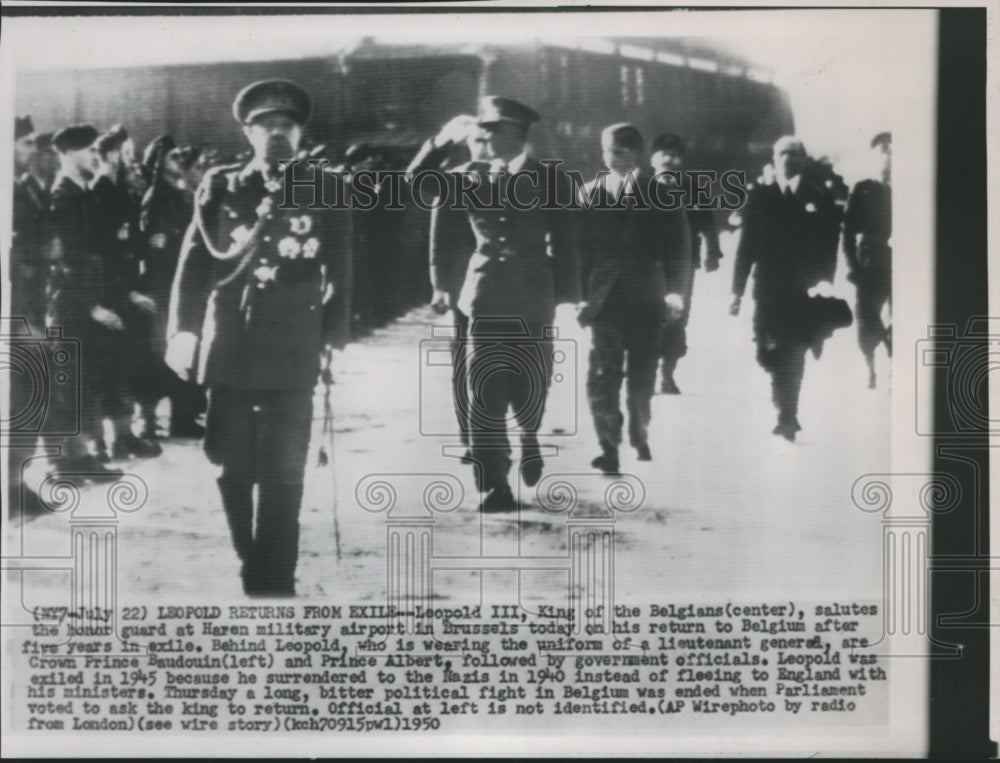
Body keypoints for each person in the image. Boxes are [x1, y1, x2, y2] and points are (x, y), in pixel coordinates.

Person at [167, 79, 352, 596]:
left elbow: (344, 267)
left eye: (286, 125)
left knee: (285, 467)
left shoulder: (327, 187)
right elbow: (195, 262)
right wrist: (183, 331)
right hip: (232, 344)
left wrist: (335, 334)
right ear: (247, 132)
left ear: (300, 132)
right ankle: (252, 558)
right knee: (231, 465)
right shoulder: (222, 186)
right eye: (265, 125)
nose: (276, 133)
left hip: (295, 344)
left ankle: (275, 574)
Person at [430, 96, 581, 511]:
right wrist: (441, 285)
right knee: (485, 390)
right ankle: (495, 482)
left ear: (518, 133)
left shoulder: (550, 180)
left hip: (534, 294)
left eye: (494, 129)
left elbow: (567, 241)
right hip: (483, 295)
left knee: (532, 382)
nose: (485, 136)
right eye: (484, 129)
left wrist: (569, 297)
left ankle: (529, 436)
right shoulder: (463, 177)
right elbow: (434, 222)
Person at [579, 124, 691, 474]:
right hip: (604, 300)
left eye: (616, 151)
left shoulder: (660, 193)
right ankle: (608, 446)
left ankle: (639, 430)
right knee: (602, 374)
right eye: (606, 151)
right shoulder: (588, 193)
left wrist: (675, 292)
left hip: (647, 296)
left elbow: (679, 247)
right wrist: (578, 295)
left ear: (634, 155)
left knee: (643, 373)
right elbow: (579, 251)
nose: (609, 158)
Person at [730, 136, 842, 441]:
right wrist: (736, 291)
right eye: (782, 153)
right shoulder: (759, 196)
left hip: (801, 289)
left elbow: (829, 246)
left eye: (794, 154)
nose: (788, 159)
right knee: (765, 352)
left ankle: (787, 415)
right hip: (765, 288)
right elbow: (745, 247)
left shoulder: (819, 198)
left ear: (803, 160)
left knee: (792, 351)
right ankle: (782, 398)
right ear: (774, 157)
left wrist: (824, 281)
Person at [46, 124, 123, 477]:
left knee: (85, 381)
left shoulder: (83, 194)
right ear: (68, 154)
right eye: (90, 151)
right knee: (68, 383)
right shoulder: (64, 196)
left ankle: (82, 457)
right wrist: (92, 306)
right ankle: (66, 462)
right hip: (71, 305)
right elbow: (68, 259)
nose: (97, 156)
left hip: (86, 302)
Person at [91, 125, 162, 460]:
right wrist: (127, 293)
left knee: (123, 365)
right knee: (108, 367)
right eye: (127, 154)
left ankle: (123, 435)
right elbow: (104, 252)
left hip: (123, 289)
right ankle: (107, 440)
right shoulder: (101, 191)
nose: (131, 162)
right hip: (109, 293)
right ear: (112, 154)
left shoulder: (115, 190)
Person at [424, 116, 492, 460]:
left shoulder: (518, 177)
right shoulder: (454, 180)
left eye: (488, 140)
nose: (484, 147)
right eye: (477, 141)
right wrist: (440, 286)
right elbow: (439, 238)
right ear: (469, 143)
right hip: (461, 283)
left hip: (502, 281)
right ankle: (469, 435)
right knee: (463, 361)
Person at [138, 134, 205, 437]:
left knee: (185, 347)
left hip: (181, 281)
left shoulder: (179, 194)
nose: (179, 162)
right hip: (163, 283)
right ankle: (151, 420)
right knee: (160, 353)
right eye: (172, 158)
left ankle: (183, 416)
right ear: (158, 164)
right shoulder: (157, 195)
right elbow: (151, 243)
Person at [649, 132, 723, 395]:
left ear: (680, 159)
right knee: (645, 315)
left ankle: (667, 374)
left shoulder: (691, 187)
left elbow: (707, 223)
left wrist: (713, 252)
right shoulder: (641, 186)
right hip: (647, 263)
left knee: (677, 316)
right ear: (652, 158)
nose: (668, 159)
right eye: (663, 153)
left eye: (674, 154)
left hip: (683, 264)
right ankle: (644, 370)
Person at [843, 132, 892, 388]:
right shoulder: (863, 188)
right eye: (883, 149)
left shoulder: (905, 189)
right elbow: (848, 232)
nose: (887, 155)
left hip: (900, 262)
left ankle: (893, 354)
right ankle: (870, 366)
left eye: (891, 150)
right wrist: (853, 266)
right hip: (869, 262)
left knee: (899, 315)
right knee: (865, 318)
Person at [12, 116, 49, 331]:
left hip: (34, 297)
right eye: (27, 143)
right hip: (16, 303)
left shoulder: (27, 187)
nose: (34, 150)